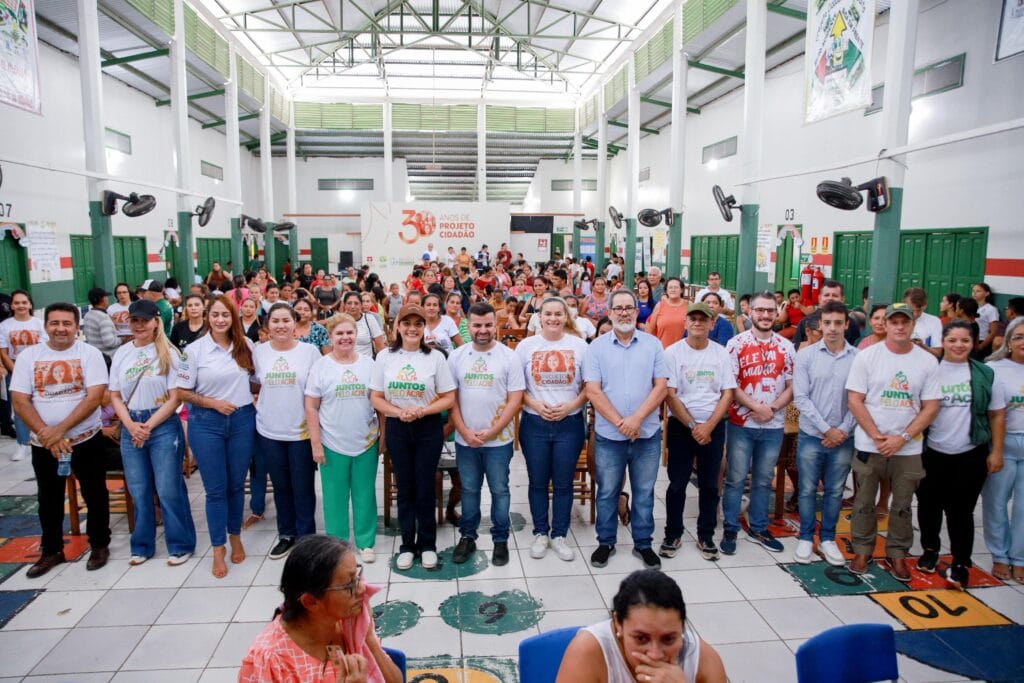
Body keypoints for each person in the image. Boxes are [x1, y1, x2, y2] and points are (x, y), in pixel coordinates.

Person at [11, 302, 110, 577]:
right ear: (45, 326)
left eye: (67, 323)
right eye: (54, 323)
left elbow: (94, 397)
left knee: (95, 493)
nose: (61, 328)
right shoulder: (28, 357)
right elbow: (20, 401)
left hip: (85, 438)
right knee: (48, 498)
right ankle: (52, 550)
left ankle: (99, 544)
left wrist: (61, 430)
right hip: (44, 444)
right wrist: (49, 434)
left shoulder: (89, 354)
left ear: (77, 327)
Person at [846, 303, 940, 581]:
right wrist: (876, 435)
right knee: (863, 502)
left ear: (912, 325)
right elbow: (855, 400)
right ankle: (862, 550)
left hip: (908, 447)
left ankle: (897, 553)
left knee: (902, 505)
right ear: (885, 324)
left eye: (904, 322)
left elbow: (931, 406)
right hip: (869, 444)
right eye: (894, 322)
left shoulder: (927, 361)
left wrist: (902, 438)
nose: (899, 327)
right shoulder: (867, 357)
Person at [239, 535, 403, 683]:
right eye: (349, 585)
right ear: (311, 602)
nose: (362, 589)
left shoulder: (350, 623)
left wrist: (369, 639)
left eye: (358, 576)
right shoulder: (270, 663)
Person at [585, 290, 669, 569]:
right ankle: (605, 542)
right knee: (607, 491)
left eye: (628, 307)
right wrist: (621, 422)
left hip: (646, 435)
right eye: (618, 308)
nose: (623, 312)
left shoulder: (653, 345)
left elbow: (661, 387)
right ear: (609, 312)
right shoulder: (596, 347)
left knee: (644, 492)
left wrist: (636, 419)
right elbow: (593, 391)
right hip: (610, 435)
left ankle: (643, 544)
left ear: (636, 311)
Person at [916, 319, 1003, 588]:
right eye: (952, 340)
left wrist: (996, 452)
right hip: (931, 451)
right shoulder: (930, 370)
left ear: (974, 343)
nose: (958, 345)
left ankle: (961, 561)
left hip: (970, 453)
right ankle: (930, 549)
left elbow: (996, 415)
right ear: (943, 342)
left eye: (965, 340)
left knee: (961, 511)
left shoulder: (984, 373)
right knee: (929, 505)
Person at [109, 299, 196, 566]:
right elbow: (115, 395)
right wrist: (131, 425)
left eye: (144, 320)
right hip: (131, 424)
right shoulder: (122, 353)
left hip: (162, 424)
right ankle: (142, 545)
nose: (139, 326)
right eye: (134, 320)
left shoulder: (170, 353)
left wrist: (148, 425)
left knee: (168, 487)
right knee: (139, 488)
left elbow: (175, 396)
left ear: (156, 322)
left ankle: (180, 544)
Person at [369, 305, 456, 570]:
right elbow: (375, 397)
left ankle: (427, 544)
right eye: (407, 323)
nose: (412, 328)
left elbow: (449, 397)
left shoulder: (435, 357)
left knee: (425, 486)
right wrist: (399, 412)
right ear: (397, 326)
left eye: (418, 324)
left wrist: (422, 411)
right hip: (397, 427)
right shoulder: (385, 356)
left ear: (424, 328)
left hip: (427, 427)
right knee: (405, 487)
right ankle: (407, 545)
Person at [176, 296, 256, 579]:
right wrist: (213, 403)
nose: (220, 320)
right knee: (215, 489)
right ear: (207, 317)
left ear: (233, 317)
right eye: (215, 315)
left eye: (226, 315)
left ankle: (235, 535)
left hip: (242, 421)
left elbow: (255, 381)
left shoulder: (246, 345)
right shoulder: (194, 351)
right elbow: (182, 392)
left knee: (236, 485)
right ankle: (218, 547)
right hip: (206, 422)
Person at [448, 303, 525, 566]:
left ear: (496, 325)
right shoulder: (456, 356)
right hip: (466, 439)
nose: (483, 330)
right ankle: (468, 536)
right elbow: (451, 399)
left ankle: (500, 539)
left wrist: (492, 431)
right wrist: (464, 431)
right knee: (469, 489)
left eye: (488, 325)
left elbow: (515, 400)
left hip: (499, 441)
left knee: (499, 490)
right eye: (477, 325)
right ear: (468, 326)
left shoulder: (509, 357)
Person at [721, 291, 796, 555]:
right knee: (735, 478)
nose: (765, 315)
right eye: (760, 310)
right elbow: (731, 384)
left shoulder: (786, 346)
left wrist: (771, 409)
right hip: (741, 423)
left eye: (770, 310)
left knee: (764, 479)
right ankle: (730, 527)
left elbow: (792, 385)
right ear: (750, 312)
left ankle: (759, 527)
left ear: (776, 314)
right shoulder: (736, 344)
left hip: (773, 425)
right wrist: (756, 407)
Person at [516, 297, 589, 562]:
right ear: (539, 317)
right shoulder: (526, 347)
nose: (553, 319)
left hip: (569, 425)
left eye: (559, 314)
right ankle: (540, 532)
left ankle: (559, 534)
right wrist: (536, 404)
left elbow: (589, 387)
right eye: (548, 314)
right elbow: (517, 388)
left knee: (563, 482)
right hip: (535, 423)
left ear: (566, 317)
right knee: (537, 481)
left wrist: (571, 406)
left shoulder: (580, 346)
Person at [557, 570, 726, 683]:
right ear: (618, 624)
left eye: (668, 639)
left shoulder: (703, 661)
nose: (655, 654)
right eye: (641, 638)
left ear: (682, 627)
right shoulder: (587, 652)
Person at [661, 303, 735, 561]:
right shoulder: (672, 353)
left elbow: (728, 393)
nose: (697, 323)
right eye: (692, 318)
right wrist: (694, 426)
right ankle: (673, 534)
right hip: (682, 427)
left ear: (712, 324)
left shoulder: (721, 354)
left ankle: (706, 535)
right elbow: (670, 395)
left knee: (710, 484)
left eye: (703, 319)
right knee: (677, 483)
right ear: (685, 323)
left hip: (713, 426)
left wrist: (709, 426)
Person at [305, 314, 380, 563]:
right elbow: (311, 406)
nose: (345, 338)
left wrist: (384, 436)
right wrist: (316, 443)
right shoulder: (321, 367)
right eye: (339, 333)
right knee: (334, 497)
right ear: (330, 336)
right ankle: (337, 546)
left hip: (365, 441)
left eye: (349, 333)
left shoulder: (369, 364)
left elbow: (379, 402)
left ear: (356, 335)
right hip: (332, 442)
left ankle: (366, 543)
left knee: (365, 494)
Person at [253, 303, 323, 560]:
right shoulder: (259, 352)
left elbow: (317, 391)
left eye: (286, 320)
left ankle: (306, 537)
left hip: (301, 431)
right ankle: (286, 534)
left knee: (303, 486)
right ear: (267, 325)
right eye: (275, 321)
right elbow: (255, 384)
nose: (281, 325)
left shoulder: (310, 352)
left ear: (295, 323)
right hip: (269, 430)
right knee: (281, 485)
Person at [792, 300, 857, 566]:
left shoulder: (857, 358)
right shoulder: (806, 356)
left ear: (846, 325)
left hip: (843, 436)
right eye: (827, 323)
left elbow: (859, 400)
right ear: (820, 324)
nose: (832, 328)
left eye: (838, 323)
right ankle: (806, 537)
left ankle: (828, 538)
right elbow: (801, 398)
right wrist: (826, 429)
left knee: (835, 490)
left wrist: (841, 430)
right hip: (812, 435)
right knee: (807, 489)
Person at [984, 317, 1024, 583]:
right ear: (1008, 341)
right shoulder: (994, 369)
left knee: (1023, 507)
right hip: (1003, 443)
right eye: (1018, 336)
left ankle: (1019, 557)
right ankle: (1000, 554)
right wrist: (995, 450)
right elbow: (990, 413)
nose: (1023, 342)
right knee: (996, 502)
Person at [0, 289, 48, 461]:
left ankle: (43, 436)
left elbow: (43, 349)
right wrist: (17, 371)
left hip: (39, 369)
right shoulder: (4, 326)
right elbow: (3, 353)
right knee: (20, 407)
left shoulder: (40, 324)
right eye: (17, 303)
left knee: (42, 404)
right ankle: (22, 443)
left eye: (24, 302)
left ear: (29, 304)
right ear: (12, 306)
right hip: (14, 368)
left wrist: (35, 371)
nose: (21, 306)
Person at [791, 280, 862, 348]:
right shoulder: (805, 322)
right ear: (819, 298)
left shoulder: (851, 324)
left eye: (835, 295)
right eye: (826, 295)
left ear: (842, 299)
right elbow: (794, 349)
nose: (830, 298)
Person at [645, 277, 688, 348]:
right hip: (663, 350)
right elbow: (650, 329)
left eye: (676, 287)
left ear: (681, 290)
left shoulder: (689, 306)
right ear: (666, 290)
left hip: (683, 350)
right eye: (670, 287)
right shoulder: (659, 306)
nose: (673, 290)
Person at [82, 287, 122, 360]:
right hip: (108, 358)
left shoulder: (88, 314)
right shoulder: (103, 317)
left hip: (95, 356)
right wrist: (123, 339)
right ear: (103, 299)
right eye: (106, 297)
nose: (107, 299)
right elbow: (110, 342)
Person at [902, 287, 943, 355]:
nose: (915, 314)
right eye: (911, 310)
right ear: (903, 303)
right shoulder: (894, 320)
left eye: (919, 310)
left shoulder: (934, 321)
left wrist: (922, 346)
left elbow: (938, 353)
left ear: (925, 305)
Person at [974, 282, 1000, 356]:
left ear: (987, 293)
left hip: (982, 341)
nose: (975, 293)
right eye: (973, 291)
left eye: (978, 291)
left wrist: (981, 346)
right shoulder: (972, 307)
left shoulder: (991, 309)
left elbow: (993, 331)